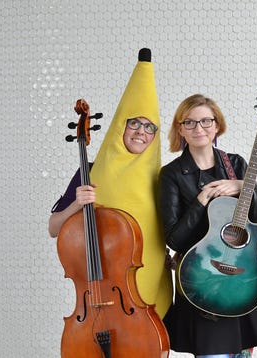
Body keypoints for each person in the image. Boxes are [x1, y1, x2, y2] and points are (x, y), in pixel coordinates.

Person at [49, 48, 173, 319]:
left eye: (150, 126)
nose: (141, 131)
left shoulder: (163, 177)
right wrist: (76, 206)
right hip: (101, 291)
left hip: (150, 287)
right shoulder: (89, 171)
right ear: (120, 126)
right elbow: (53, 228)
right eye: (134, 123)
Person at [158, 94, 257, 357]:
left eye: (206, 121)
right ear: (180, 128)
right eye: (190, 122)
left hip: (244, 274)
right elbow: (174, 239)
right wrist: (201, 200)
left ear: (217, 125)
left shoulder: (236, 164)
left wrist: (244, 187)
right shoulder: (171, 174)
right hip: (203, 279)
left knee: (242, 354)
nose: (199, 128)